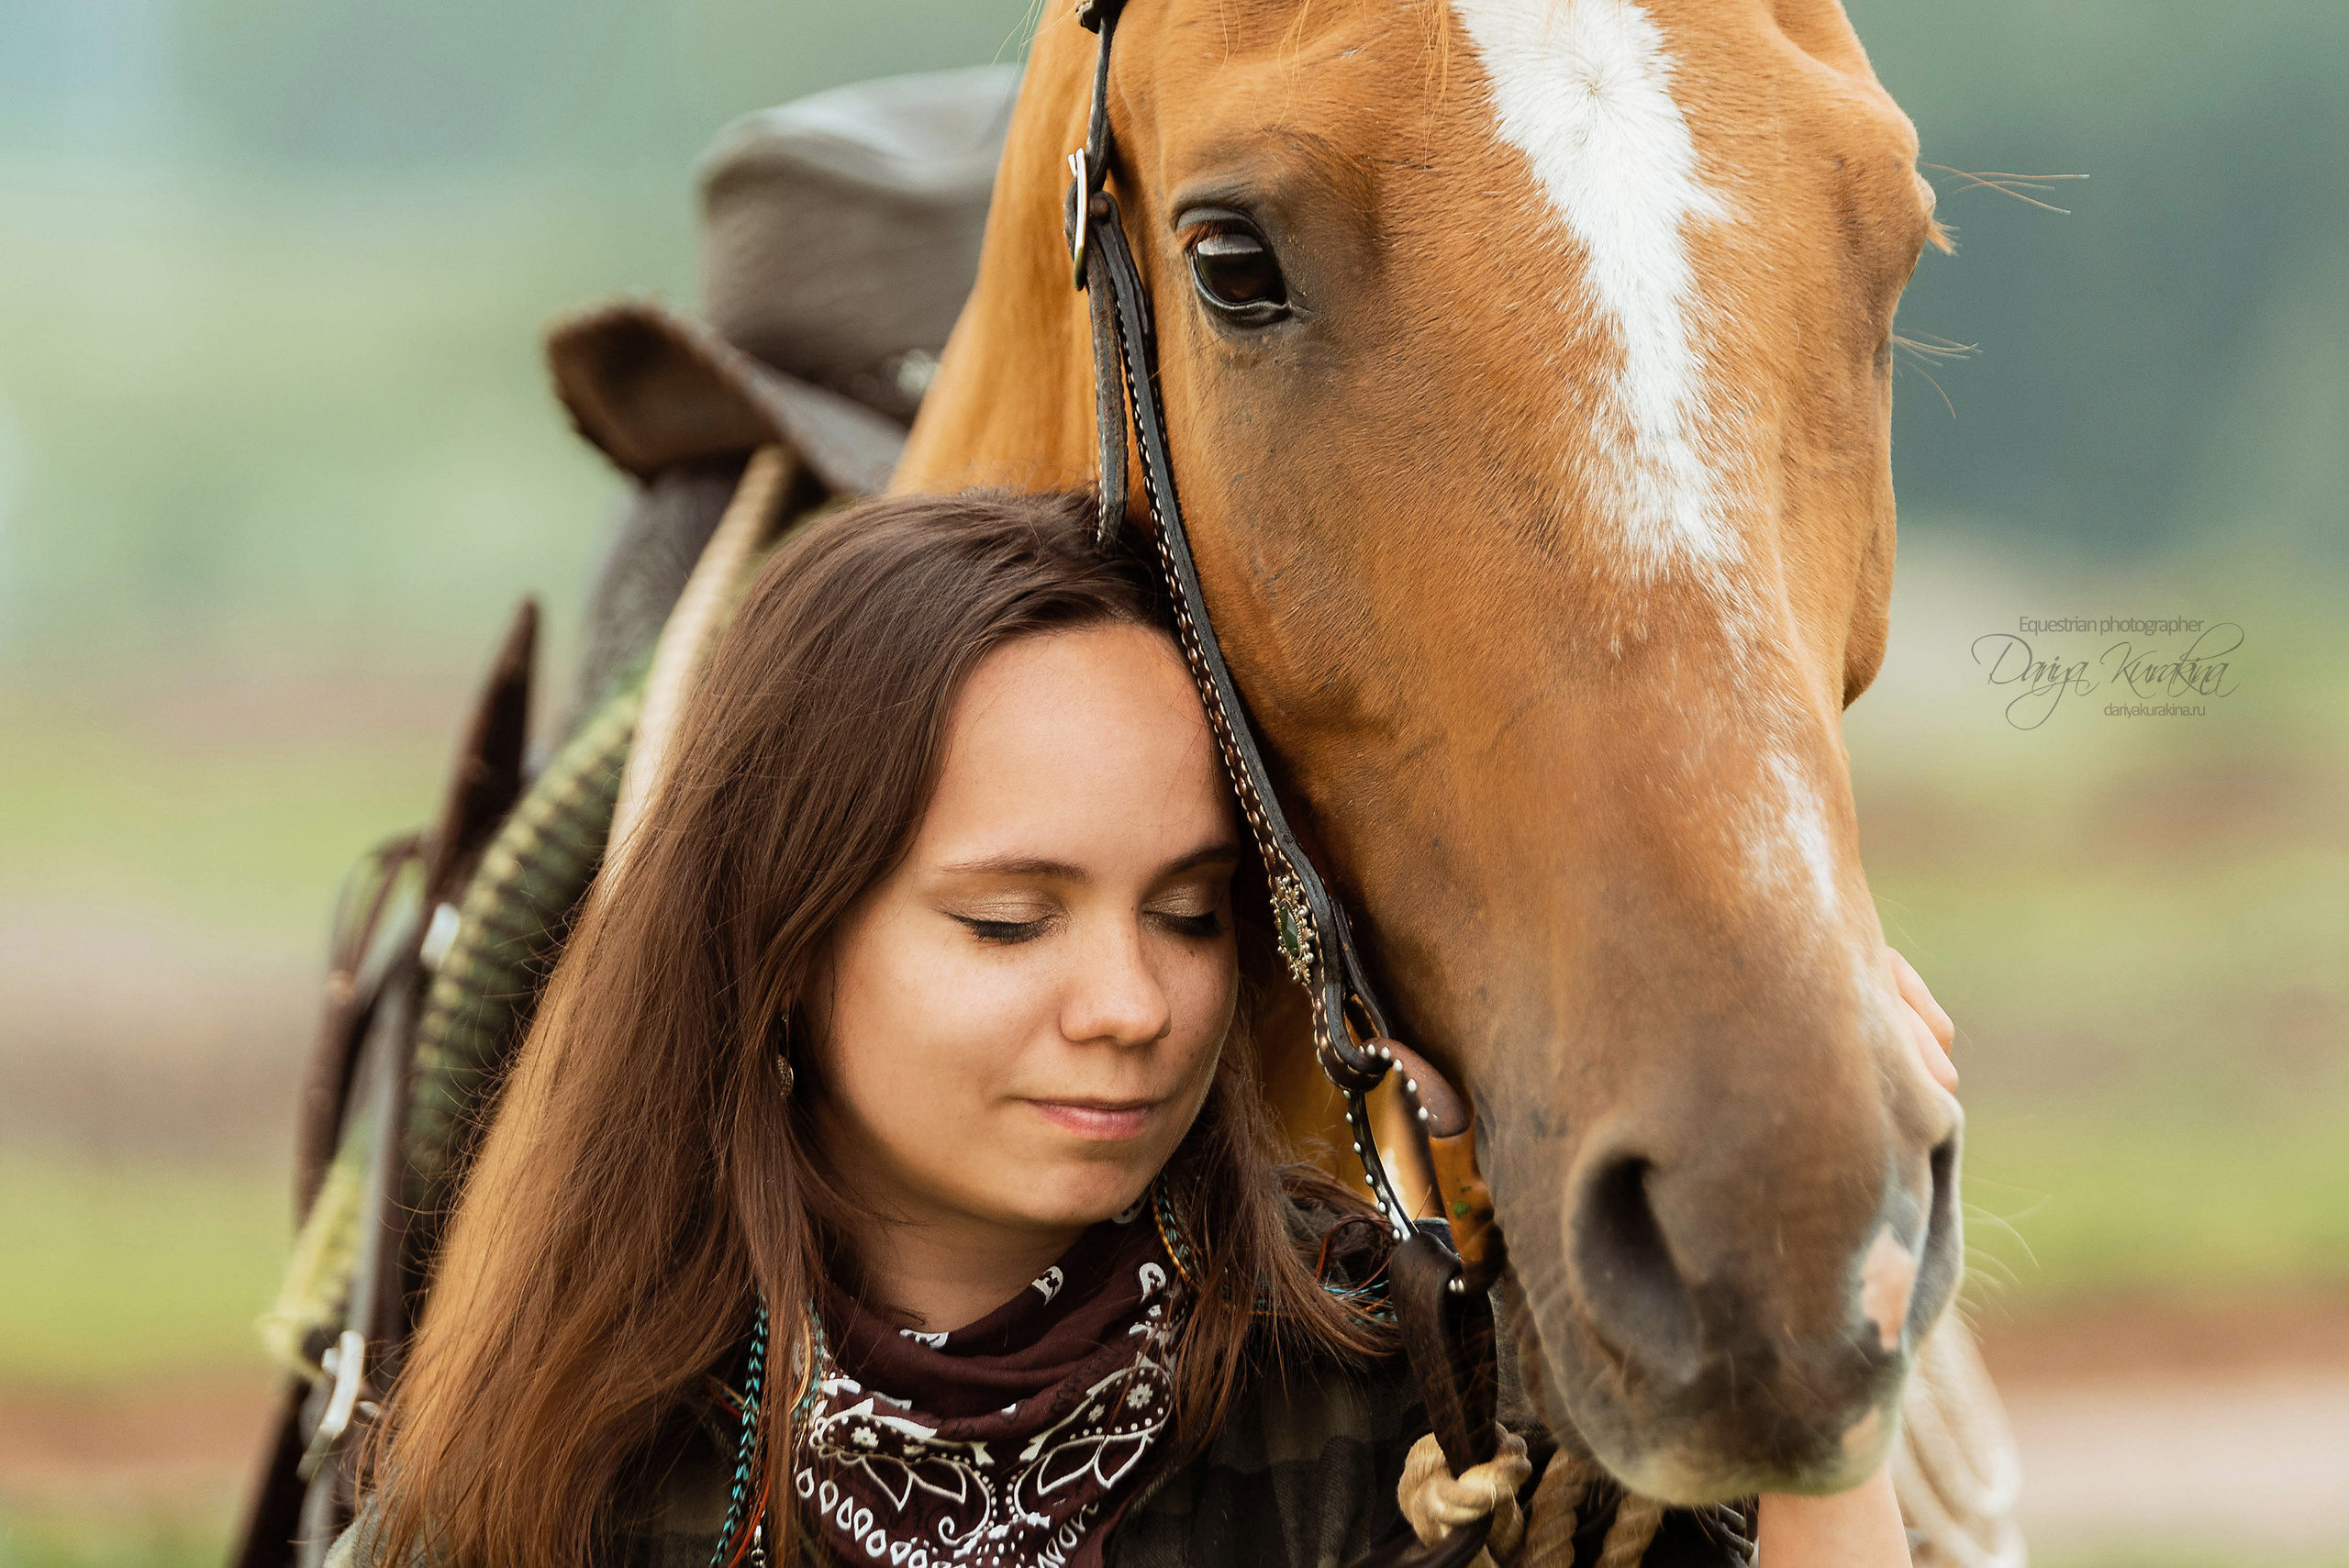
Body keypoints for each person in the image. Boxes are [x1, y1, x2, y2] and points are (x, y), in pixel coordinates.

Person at [338, 490, 1957, 1568]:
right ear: (782, 945)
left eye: (1188, 914)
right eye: (1008, 920)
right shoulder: (555, 1469)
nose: (1130, 1008)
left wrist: (1835, 1266)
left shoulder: (1399, 1390)